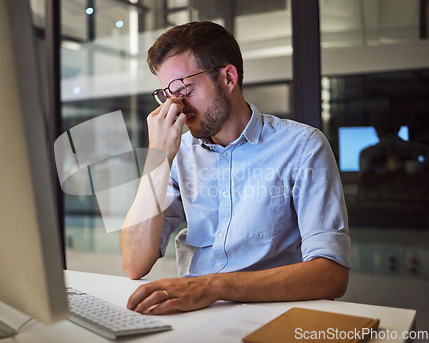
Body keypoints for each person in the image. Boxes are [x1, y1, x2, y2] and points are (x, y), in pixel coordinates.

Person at [119, 21, 350, 315]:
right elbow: (134, 263)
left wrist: (212, 287)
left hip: (273, 314)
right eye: (167, 94)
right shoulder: (177, 151)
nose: (176, 106)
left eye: (184, 89)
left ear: (228, 78)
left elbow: (331, 275)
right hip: (194, 314)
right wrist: (157, 157)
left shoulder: (302, 146)